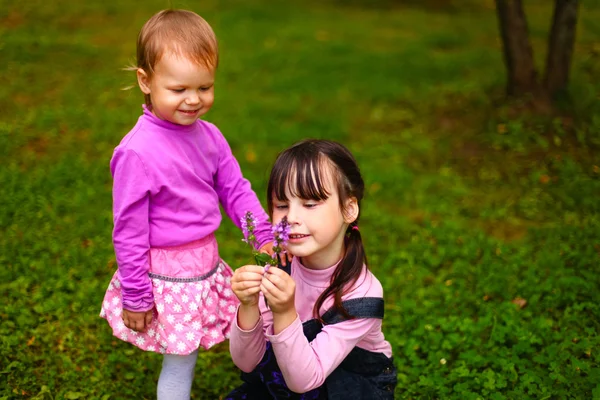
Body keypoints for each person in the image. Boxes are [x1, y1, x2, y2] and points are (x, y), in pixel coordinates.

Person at [99, 9, 276, 399]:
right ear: (145, 81)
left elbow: (234, 189)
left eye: (205, 87)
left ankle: (280, 379)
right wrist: (137, 294)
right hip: (168, 277)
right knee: (182, 360)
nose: (194, 100)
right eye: (179, 90)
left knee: (249, 325)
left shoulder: (209, 137)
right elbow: (129, 230)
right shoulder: (136, 153)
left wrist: (262, 233)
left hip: (204, 264)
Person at [227, 139, 398, 399]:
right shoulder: (278, 267)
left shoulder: (361, 293)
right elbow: (247, 363)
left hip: (348, 384)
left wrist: (284, 311)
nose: (291, 218)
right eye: (282, 205)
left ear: (349, 208)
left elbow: (303, 381)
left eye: (310, 204)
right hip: (288, 369)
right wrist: (249, 305)